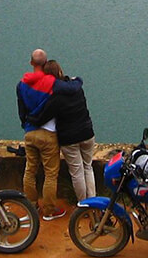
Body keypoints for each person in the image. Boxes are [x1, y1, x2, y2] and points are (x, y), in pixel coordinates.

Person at [28, 59, 96, 204]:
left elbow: (41, 118)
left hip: (69, 138)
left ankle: (84, 205)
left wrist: (29, 118)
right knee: (88, 167)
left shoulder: (55, 97)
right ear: (60, 71)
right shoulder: (77, 88)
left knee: (77, 173)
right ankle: (94, 203)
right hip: (87, 133)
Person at [16, 48, 64, 220]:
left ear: (31, 63)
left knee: (30, 171)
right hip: (49, 134)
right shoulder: (52, 83)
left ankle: (31, 207)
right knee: (50, 174)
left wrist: (26, 125)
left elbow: (21, 110)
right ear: (46, 64)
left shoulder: (22, 84)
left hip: (30, 133)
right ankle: (50, 211)